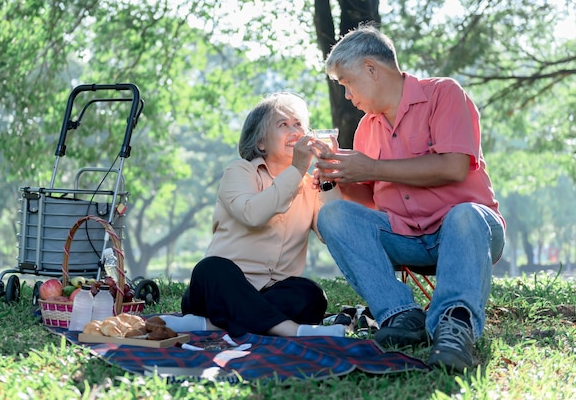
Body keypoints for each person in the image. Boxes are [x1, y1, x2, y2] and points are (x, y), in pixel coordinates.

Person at [314, 23, 506, 371]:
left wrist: (371, 167)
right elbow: (372, 196)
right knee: (332, 215)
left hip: (467, 233)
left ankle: (454, 327)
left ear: (371, 68)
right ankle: (401, 315)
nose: (346, 95)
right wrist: (337, 179)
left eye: (346, 82)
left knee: (464, 215)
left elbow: (453, 168)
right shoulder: (367, 128)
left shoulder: (444, 94)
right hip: (404, 237)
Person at [159, 92, 345, 338]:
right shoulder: (240, 171)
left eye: (299, 124)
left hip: (270, 293)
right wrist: (298, 168)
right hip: (221, 289)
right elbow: (253, 214)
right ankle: (292, 330)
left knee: (311, 294)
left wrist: (328, 179)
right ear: (261, 143)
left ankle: (209, 325)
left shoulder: (310, 185)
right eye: (283, 124)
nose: (295, 130)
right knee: (210, 269)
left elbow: (335, 232)